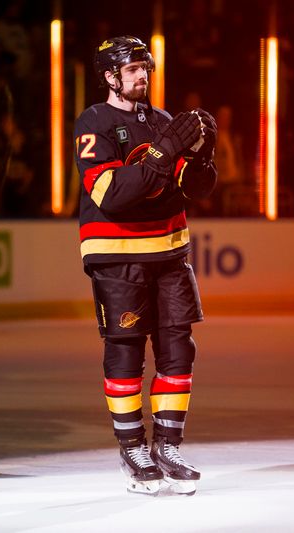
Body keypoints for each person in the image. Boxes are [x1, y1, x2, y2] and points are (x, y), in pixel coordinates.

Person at [73, 36, 217, 496]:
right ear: (110, 77)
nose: (142, 76)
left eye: (145, 68)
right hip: (117, 256)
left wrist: (202, 159)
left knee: (179, 349)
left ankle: (168, 445)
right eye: (132, 70)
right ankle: (132, 446)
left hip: (170, 252)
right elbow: (110, 194)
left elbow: (189, 188)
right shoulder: (94, 121)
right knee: (126, 349)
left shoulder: (162, 122)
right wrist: (163, 152)